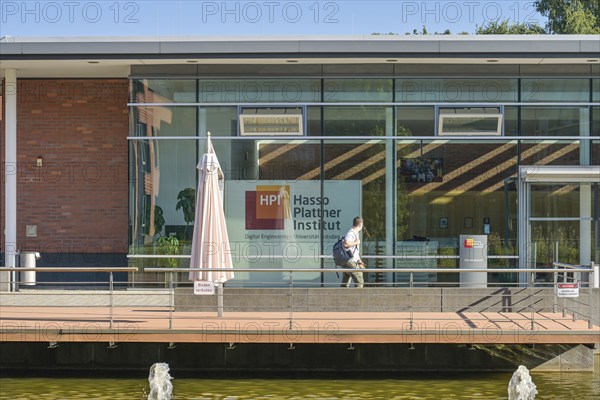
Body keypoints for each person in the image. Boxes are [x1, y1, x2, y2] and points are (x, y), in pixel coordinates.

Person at [341, 216, 365, 288]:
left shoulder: (354, 233)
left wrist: (359, 261)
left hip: (349, 260)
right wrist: (356, 242)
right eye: (362, 224)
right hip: (350, 261)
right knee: (359, 280)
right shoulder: (351, 233)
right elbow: (346, 244)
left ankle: (342, 297)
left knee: (346, 281)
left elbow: (354, 250)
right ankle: (358, 298)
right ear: (360, 224)